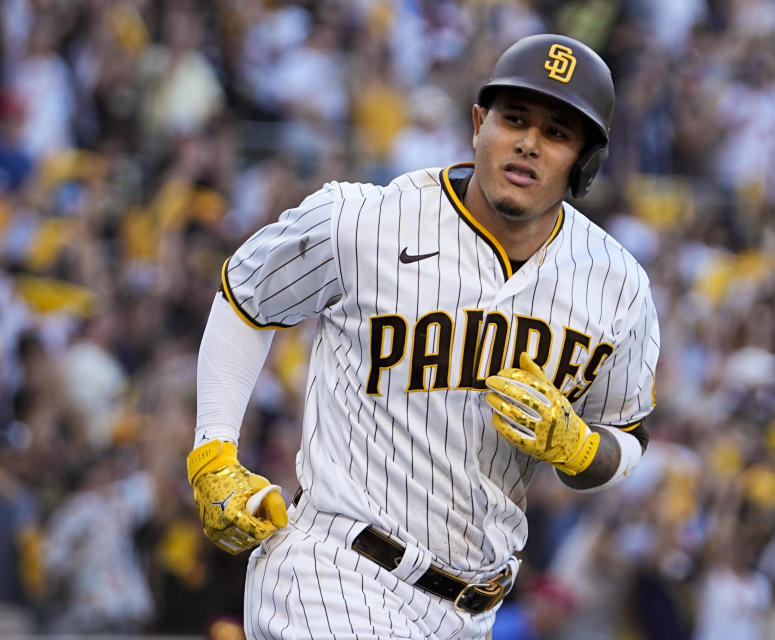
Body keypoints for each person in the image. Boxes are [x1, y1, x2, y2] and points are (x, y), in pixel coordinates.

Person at [186, 33, 660, 639]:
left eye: (557, 133)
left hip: (472, 610)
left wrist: (584, 450)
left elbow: (629, 437)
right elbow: (245, 299)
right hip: (334, 570)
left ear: (585, 163)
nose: (528, 143)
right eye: (514, 119)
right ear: (478, 123)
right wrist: (214, 454)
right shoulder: (365, 221)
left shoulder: (617, 286)